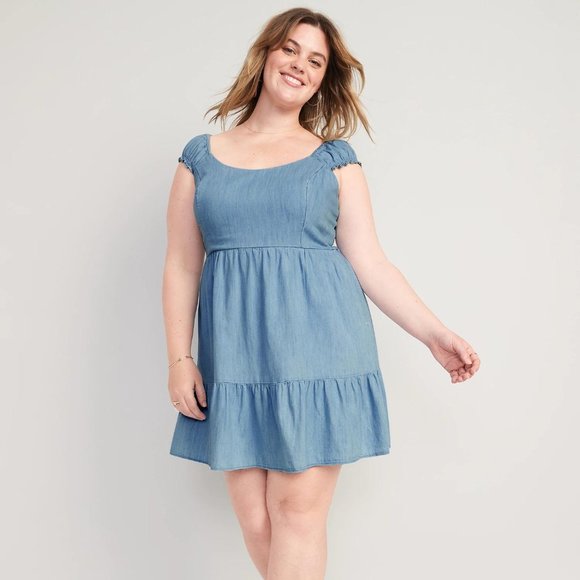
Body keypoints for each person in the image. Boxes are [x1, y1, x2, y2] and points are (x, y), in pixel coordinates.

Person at [162, 7, 480, 579]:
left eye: (315, 60)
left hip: (319, 351)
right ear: (265, 55)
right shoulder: (201, 157)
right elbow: (182, 265)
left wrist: (434, 334)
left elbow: (372, 263)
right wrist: (179, 358)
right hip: (236, 356)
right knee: (256, 521)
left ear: (322, 79)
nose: (299, 66)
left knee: (296, 515)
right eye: (290, 50)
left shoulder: (334, 160)